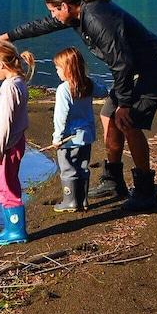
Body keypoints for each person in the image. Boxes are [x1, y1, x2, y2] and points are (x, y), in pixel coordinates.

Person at [0, 0, 157, 211]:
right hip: (132, 68)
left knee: (129, 122)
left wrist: (126, 105)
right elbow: (42, 26)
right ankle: (114, 180)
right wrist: (2, 38)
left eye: (53, 10)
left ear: (65, 6)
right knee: (108, 116)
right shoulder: (76, 14)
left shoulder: (96, 18)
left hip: (154, 68)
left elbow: (122, 63)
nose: (52, 16)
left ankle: (145, 193)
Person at [0, 40, 35, 245]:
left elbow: (5, 123)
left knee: (4, 186)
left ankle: (15, 230)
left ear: (1, 65)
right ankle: (12, 228)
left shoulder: (10, 87)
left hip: (6, 146)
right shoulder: (19, 81)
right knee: (9, 183)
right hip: (14, 142)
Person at [51, 47, 106, 212]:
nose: (56, 71)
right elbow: (103, 91)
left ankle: (70, 201)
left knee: (68, 168)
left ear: (67, 69)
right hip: (86, 136)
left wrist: (57, 138)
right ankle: (83, 200)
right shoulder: (88, 83)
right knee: (83, 167)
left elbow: (61, 117)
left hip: (69, 138)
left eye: (58, 68)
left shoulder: (63, 89)